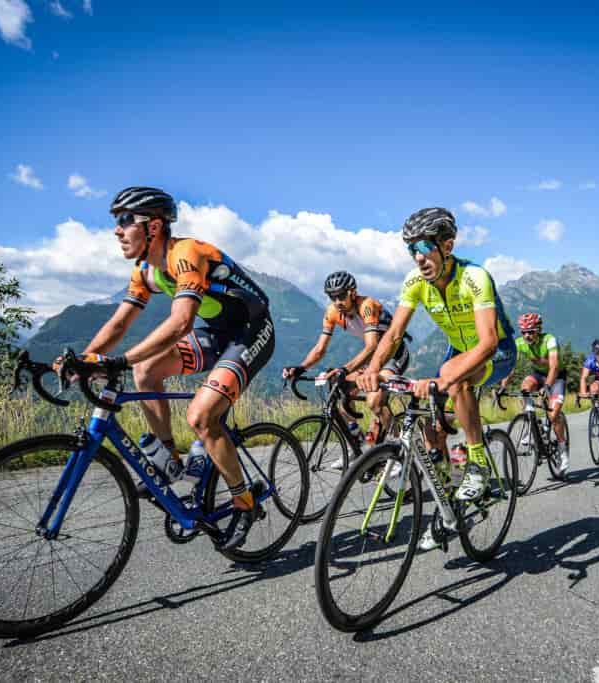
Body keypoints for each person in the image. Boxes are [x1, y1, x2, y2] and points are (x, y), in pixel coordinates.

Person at [61, 186, 274, 550]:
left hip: (251, 331)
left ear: (154, 227)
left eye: (125, 220)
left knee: (202, 417)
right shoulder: (145, 270)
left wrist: (119, 361)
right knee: (146, 372)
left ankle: (244, 501)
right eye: (116, 221)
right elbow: (119, 324)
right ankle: (170, 461)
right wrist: (86, 360)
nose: (117, 229)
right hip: (217, 333)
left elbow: (180, 324)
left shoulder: (185, 254)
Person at [357, 207, 516, 550]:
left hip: (497, 351)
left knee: (451, 379)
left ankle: (477, 464)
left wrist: (446, 380)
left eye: (424, 247)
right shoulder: (415, 283)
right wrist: (372, 368)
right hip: (458, 350)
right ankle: (447, 502)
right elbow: (394, 333)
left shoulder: (474, 277)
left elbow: (488, 341)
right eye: (411, 249)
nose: (418, 257)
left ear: (447, 245)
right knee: (427, 415)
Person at [282, 270, 411, 465]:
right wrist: (300, 368)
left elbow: (372, 346)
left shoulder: (367, 306)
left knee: (375, 401)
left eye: (341, 295)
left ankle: (400, 453)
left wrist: (345, 369)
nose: (337, 301)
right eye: (332, 297)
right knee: (337, 388)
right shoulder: (332, 312)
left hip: (394, 355)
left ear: (352, 292)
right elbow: (319, 349)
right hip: (372, 358)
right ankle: (356, 444)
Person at [498, 312, 570, 472]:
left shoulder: (549, 340)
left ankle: (562, 448)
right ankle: (531, 422)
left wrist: (547, 387)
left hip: (556, 377)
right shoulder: (519, 344)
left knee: (553, 415)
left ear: (539, 329)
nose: (527, 335)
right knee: (525, 386)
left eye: (531, 331)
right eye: (523, 332)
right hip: (537, 375)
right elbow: (511, 369)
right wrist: (503, 387)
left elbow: (554, 367)